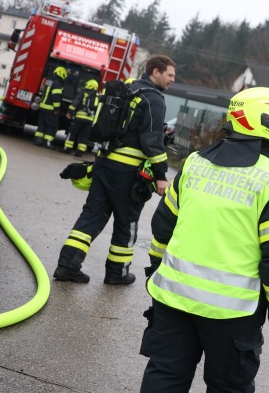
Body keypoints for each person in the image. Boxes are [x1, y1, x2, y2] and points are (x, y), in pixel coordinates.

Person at [139, 87, 269, 392]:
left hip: (173, 298)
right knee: (228, 387)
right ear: (266, 125)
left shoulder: (194, 163)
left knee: (164, 376)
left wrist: (155, 269)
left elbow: (163, 226)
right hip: (232, 314)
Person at [52, 54, 176, 285]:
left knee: (91, 215)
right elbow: (151, 141)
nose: (172, 80)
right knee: (126, 222)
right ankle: (117, 273)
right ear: (155, 72)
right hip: (128, 173)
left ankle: (67, 265)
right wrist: (161, 175)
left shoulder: (128, 90)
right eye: (170, 75)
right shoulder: (153, 98)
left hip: (103, 163)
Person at [62, 79, 99, 157]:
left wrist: (70, 112)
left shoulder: (83, 93)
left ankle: (67, 149)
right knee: (84, 136)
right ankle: (80, 152)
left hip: (79, 118)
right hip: (89, 120)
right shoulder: (98, 97)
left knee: (72, 133)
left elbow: (75, 102)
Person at [33, 66, 67, 149]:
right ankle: (47, 143)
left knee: (42, 124)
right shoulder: (57, 84)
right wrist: (57, 109)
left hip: (42, 107)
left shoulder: (48, 81)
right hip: (50, 109)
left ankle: (38, 140)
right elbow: (56, 97)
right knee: (52, 126)